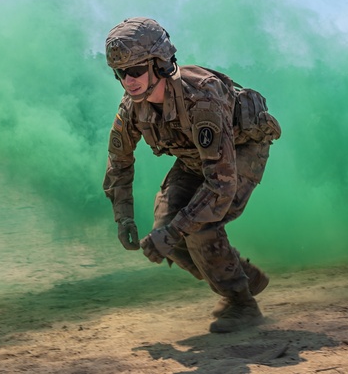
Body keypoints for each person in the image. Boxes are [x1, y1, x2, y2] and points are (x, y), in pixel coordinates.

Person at [102, 17, 282, 333]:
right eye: (120, 73)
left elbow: (220, 186)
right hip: (193, 161)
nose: (128, 80)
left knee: (199, 225)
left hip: (240, 154)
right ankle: (240, 275)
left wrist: (174, 232)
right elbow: (119, 162)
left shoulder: (202, 97)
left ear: (158, 63)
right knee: (166, 229)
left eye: (135, 70)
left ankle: (242, 303)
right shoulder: (131, 107)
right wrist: (124, 218)